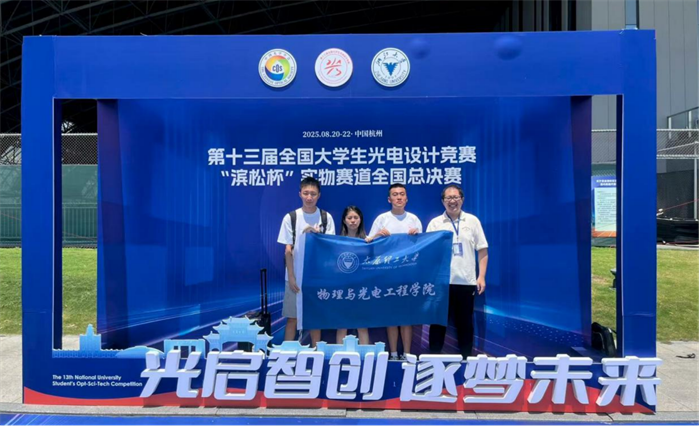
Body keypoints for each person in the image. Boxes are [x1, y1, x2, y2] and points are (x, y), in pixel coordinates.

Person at [426, 184, 488, 359]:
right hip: (442, 282)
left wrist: (481, 276)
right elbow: (428, 251)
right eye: (448, 198)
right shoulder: (435, 223)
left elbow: (482, 249)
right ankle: (433, 361)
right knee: (438, 324)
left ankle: (466, 361)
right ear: (442, 201)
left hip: (466, 282)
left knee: (465, 325)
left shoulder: (472, 221)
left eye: (455, 197)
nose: (452, 201)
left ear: (462, 199)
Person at [277, 176, 336, 347]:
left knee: (315, 319)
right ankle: (286, 354)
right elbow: (288, 250)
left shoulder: (325, 217)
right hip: (294, 277)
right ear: (300, 194)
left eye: (313, 194)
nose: (309, 197)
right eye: (306, 193)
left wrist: (316, 236)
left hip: (317, 277)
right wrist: (292, 277)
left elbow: (330, 247)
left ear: (319, 195)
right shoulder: (291, 217)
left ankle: (316, 354)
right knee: (292, 318)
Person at [366, 183, 422, 360]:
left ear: (407, 198)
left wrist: (417, 236)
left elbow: (424, 247)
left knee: (406, 318)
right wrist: (377, 236)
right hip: (387, 276)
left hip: (408, 276)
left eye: (402, 194)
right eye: (395, 194)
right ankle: (393, 353)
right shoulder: (382, 219)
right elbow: (368, 243)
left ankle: (407, 354)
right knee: (391, 317)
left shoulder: (414, 219)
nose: (399, 197)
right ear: (389, 199)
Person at [336, 206, 370, 345]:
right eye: (349, 218)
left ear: (360, 220)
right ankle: (338, 355)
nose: (353, 220)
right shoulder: (336, 242)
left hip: (362, 288)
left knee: (362, 325)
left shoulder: (368, 241)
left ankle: (365, 356)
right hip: (342, 288)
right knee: (341, 325)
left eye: (356, 217)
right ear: (344, 220)